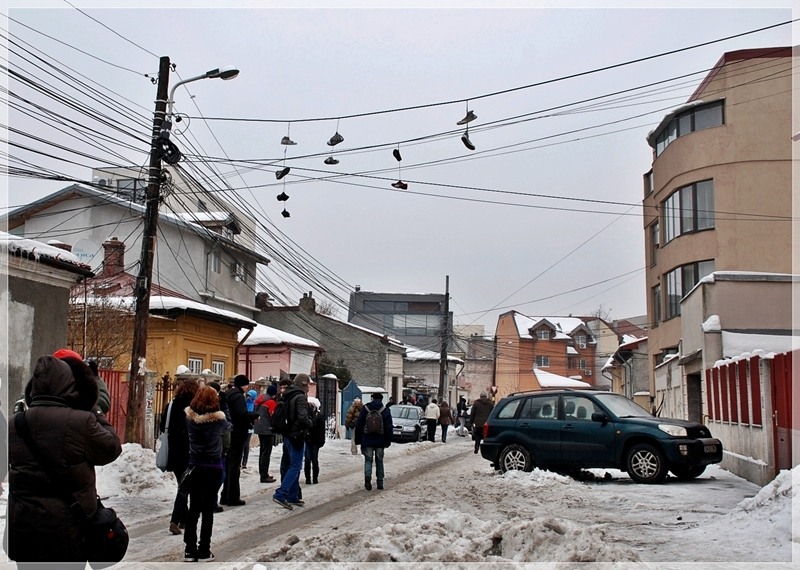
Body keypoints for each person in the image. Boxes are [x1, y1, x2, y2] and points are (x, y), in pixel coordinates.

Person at [6, 355, 122, 566]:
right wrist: (95, 409)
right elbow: (111, 448)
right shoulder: (81, 422)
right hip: (67, 532)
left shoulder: (15, 424)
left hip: (24, 532)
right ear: (68, 385)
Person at [182, 385, 230, 563]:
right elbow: (229, 426)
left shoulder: (189, 419)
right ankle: (204, 549)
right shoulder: (218, 420)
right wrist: (224, 406)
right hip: (213, 467)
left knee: (193, 508)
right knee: (208, 510)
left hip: (195, 465)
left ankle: (189, 550)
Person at [160, 377, 200, 535]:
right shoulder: (194, 408)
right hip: (188, 452)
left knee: (182, 484)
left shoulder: (171, 406)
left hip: (173, 452)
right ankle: (175, 520)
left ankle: (184, 519)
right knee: (184, 488)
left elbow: (162, 426)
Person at [272, 374, 312, 510]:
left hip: (287, 434)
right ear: (304, 384)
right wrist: (310, 423)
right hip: (297, 435)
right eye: (308, 384)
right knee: (295, 466)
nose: (309, 387)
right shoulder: (300, 397)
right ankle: (281, 493)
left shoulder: (287, 394)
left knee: (290, 465)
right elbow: (302, 417)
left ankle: (292, 496)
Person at [220, 374, 257, 507]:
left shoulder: (228, 394)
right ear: (243, 385)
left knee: (228, 464)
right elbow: (242, 415)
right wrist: (254, 415)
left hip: (229, 433)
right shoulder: (239, 396)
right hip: (237, 434)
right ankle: (233, 497)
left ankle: (225, 495)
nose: (247, 388)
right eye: (247, 385)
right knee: (234, 466)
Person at [354, 391, 393, 491]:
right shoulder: (385, 410)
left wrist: (358, 440)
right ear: (381, 399)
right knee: (379, 461)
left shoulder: (365, 409)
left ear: (372, 398)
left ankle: (367, 478)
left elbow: (359, 425)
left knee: (368, 460)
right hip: (380, 440)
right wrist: (388, 441)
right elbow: (389, 427)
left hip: (367, 439)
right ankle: (380, 482)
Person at [206, 381, 230, 513]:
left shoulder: (221, 404)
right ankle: (210, 502)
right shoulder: (212, 408)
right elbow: (226, 428)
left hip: (212, 447)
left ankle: (210, 501)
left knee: (217, 475)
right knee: (218, 474)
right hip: (214, 447)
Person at [254, 383, 278, 483]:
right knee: (266, 453)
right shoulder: (271, 402)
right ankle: (264, 475)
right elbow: (273, 415)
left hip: (259, 427)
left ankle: (263, 473)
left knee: (262, 452)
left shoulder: (260, 399)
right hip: (267, 429)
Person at [304, 396, 326, 484]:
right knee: (307, 459)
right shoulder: (306, 415)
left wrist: (321, 440)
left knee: (314, 459)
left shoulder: (319, 416)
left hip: (315, 441)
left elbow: (322, 430)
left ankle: (315, 477)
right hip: (307, 440)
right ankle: (308, 478)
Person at [241, 389, 257, 469]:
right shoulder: (243, 403)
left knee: (246, 444)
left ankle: (244, 462)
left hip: (250, 427)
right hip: (243, 426)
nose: (248, 398)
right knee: (242, 444)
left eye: (250, 396)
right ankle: (240, 460)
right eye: (248, 396)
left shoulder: (255, 405)